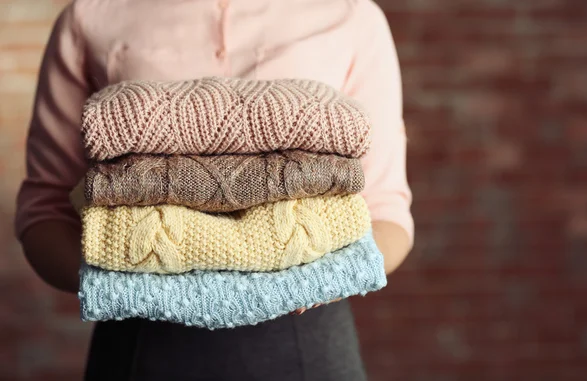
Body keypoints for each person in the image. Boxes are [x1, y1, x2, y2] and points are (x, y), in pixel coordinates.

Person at [15, 0, 414, 380]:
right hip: (142, 349)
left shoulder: (351, 16)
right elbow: (45, 208)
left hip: (306, 349)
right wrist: (121, 287)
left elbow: (386, 210)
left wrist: (319, 279)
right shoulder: (92, 15)